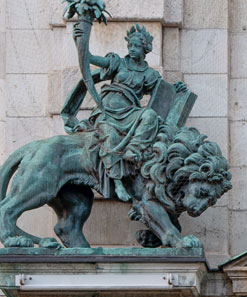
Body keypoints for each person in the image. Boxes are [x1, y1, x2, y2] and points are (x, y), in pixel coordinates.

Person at [68, 23, 185, 199]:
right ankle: (118, 183)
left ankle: (133, 150)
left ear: (145, 49)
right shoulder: (118, 63)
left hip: (130, 112)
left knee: (150, 115)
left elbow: (163, 91)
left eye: (136, 46)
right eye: (130, 46)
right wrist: (79, 42)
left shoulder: (149, 74)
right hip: (107, 111)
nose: (132, 49)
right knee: (110, 135)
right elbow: (90, 58)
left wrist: (177, 88)